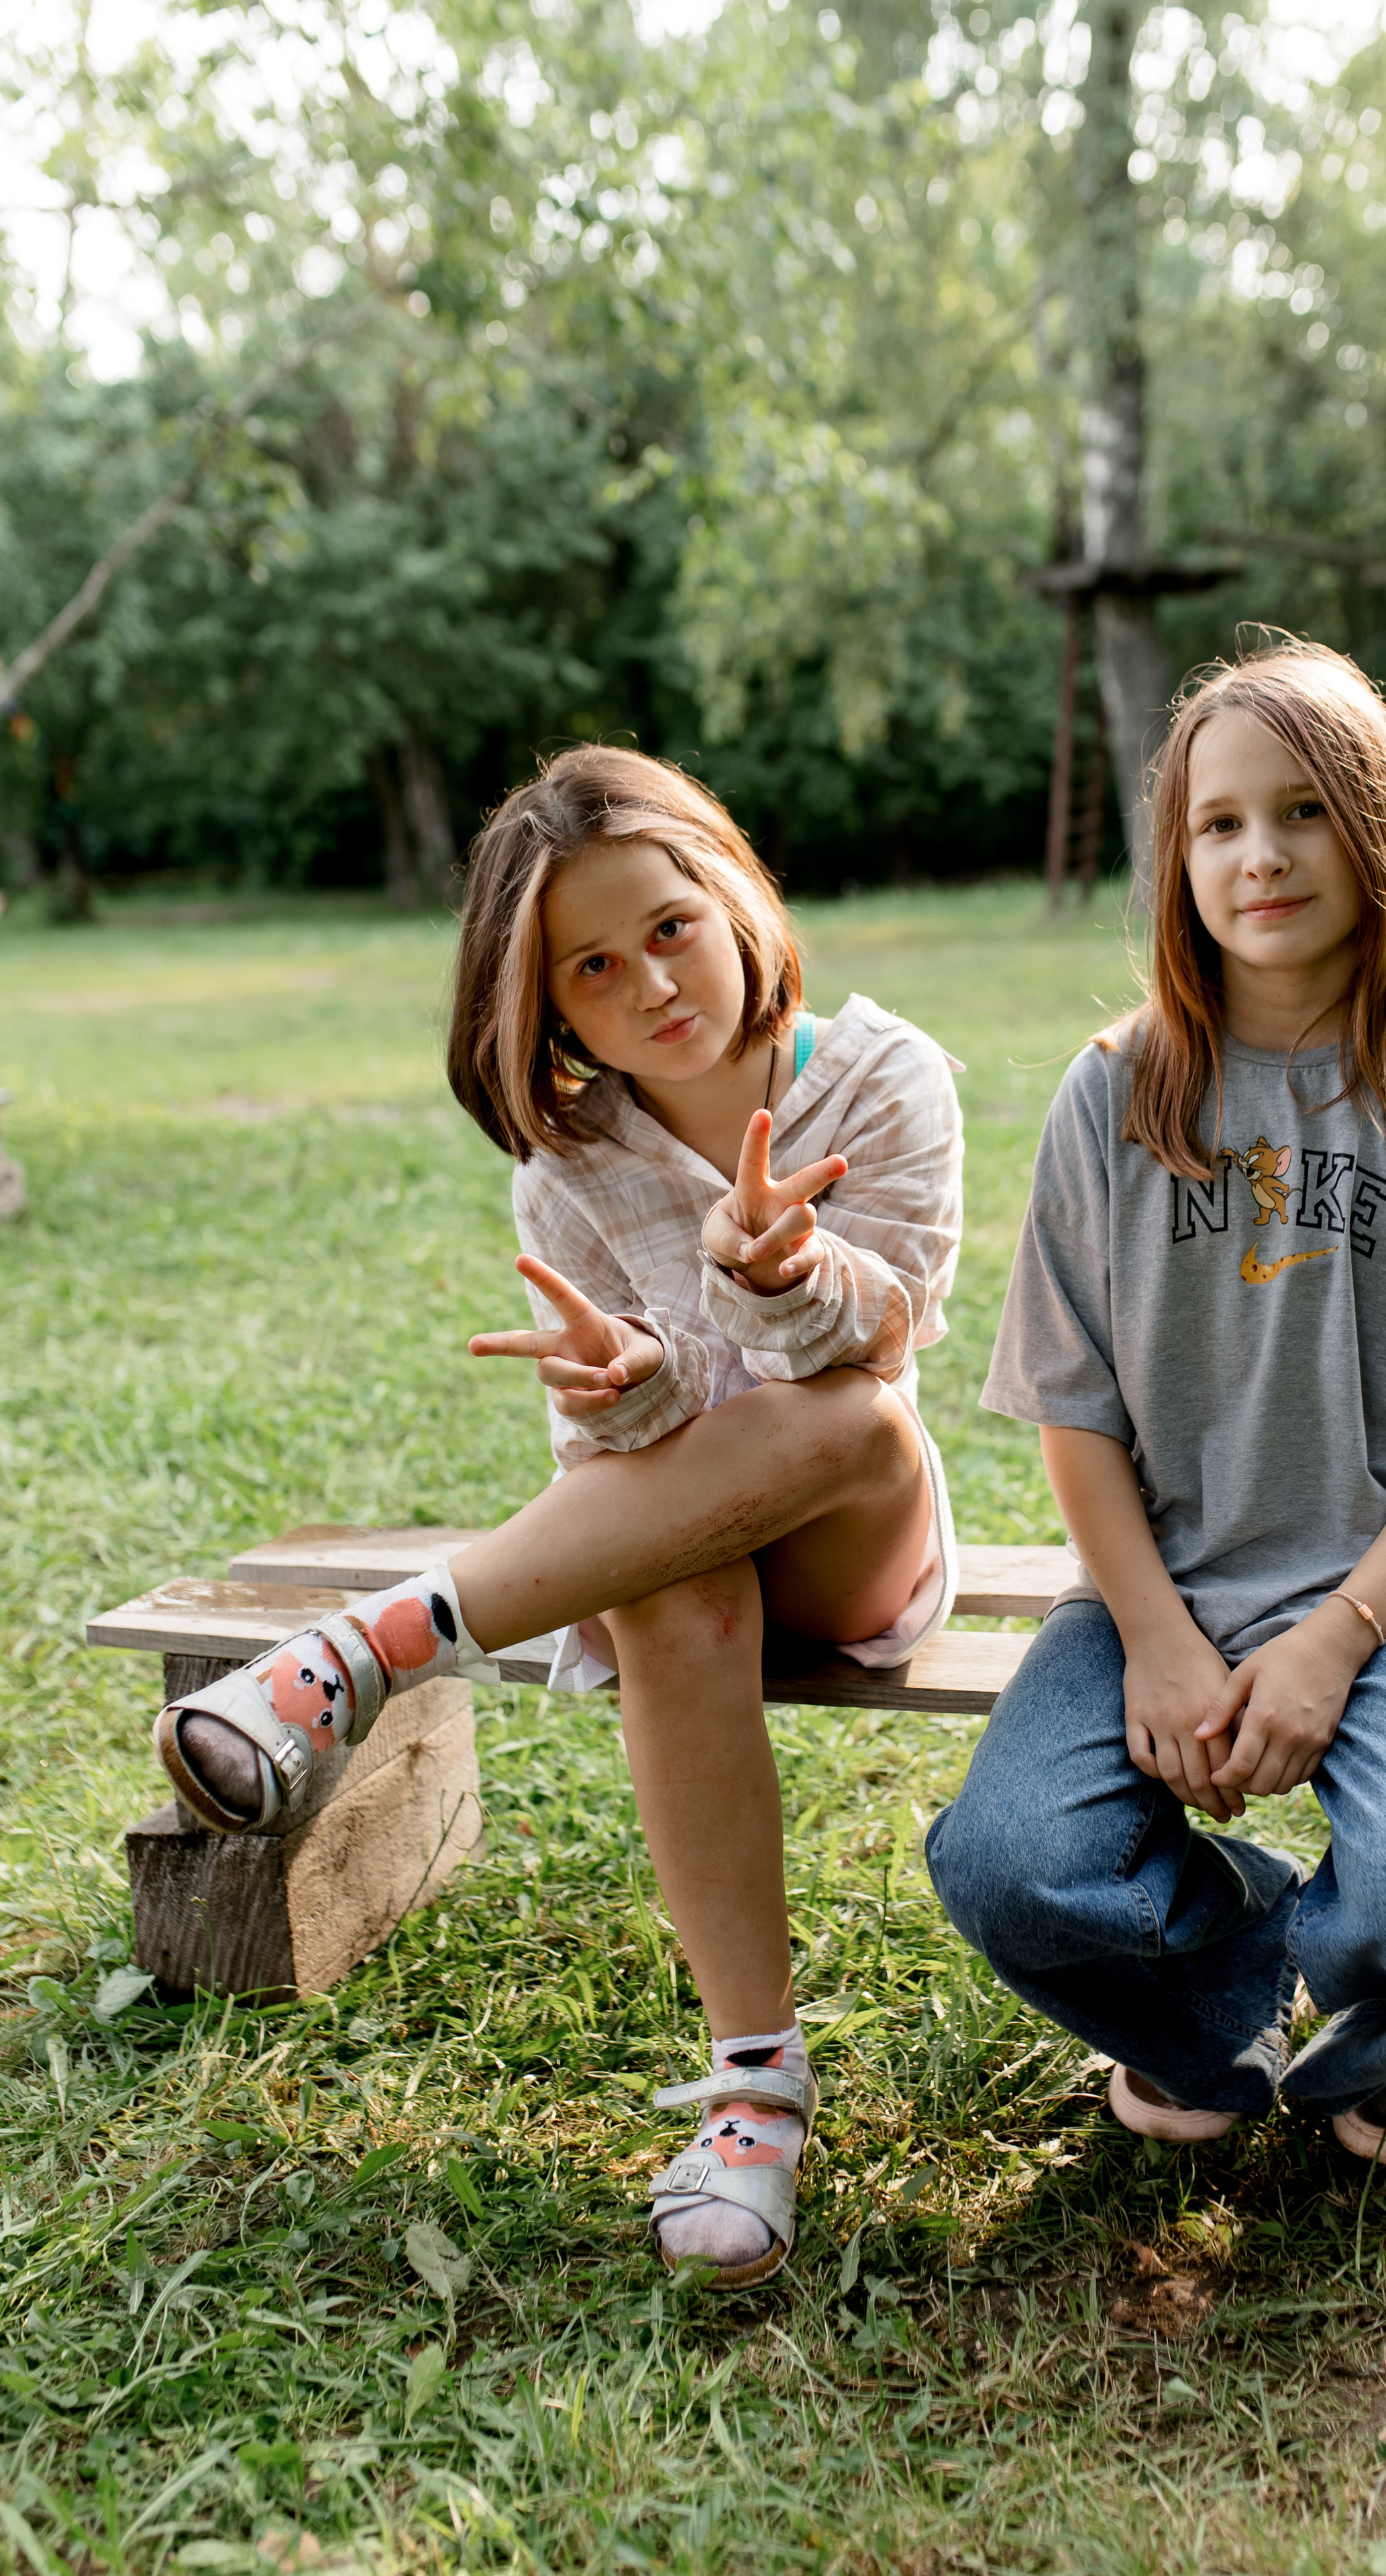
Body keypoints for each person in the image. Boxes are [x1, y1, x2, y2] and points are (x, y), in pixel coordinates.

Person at [154, 745, 963, 2284]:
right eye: (591, 969)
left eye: (666, 924)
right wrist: (629, 1390)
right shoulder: (570, 1166)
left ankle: (369, 1649)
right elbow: (618, 1474)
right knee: (666, 1579)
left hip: (861, 1533)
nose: (650, 984)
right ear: (548, 1011)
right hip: (682, 1558)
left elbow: (880, 1344)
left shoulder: (880, 1076)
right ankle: (755, 2095)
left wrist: (772, 1270)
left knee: (845, 1414)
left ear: (730, 893)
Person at [926, 637, 1386, 2172]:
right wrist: (1160, 1641)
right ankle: (1224, 1976)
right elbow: (1074, 1404)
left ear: (1374, 834)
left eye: (1301, 811)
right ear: (1174, 857)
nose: (1259, 855)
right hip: (1158, 1584)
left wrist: (1334, 1640)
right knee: (1011, 1869)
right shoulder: (1114, 1092)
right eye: (1217, 823)